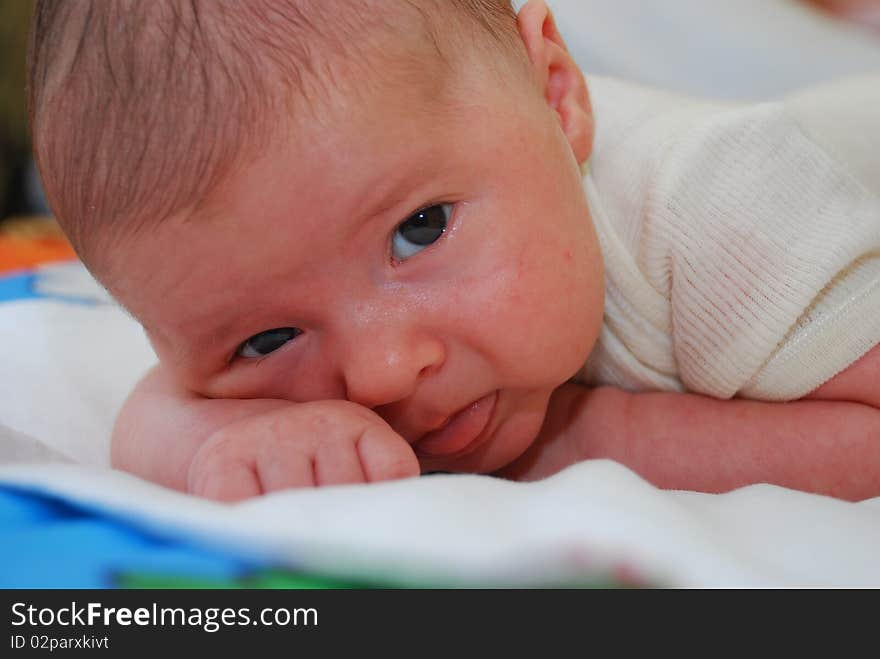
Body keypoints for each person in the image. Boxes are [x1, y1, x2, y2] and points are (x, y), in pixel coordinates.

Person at [27, 0, 880, 502]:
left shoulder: (725, 214)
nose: (379, 375)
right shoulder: (274, 252)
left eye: (420, 230)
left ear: (556, 96)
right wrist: (217, 451)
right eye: (268, 339)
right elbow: (158, 406)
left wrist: (584, 440)